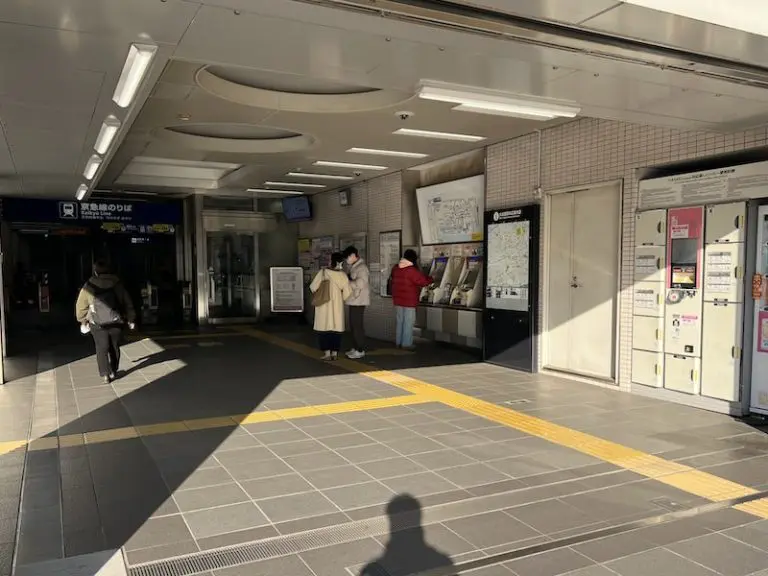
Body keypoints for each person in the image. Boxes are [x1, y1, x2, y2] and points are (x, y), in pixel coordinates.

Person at [75, 260, 136, 383]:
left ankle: (105, 374)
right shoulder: (117, 284)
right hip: (116, 321)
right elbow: (127, 302)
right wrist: (131, 318)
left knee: (101, 347)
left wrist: (82, 320)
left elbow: (81, 306)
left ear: (95, 272)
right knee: (114, 346)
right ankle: (113, 370)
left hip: (96, 322)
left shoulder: (89, 285)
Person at [310, 252, 352, 360]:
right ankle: (335, 354)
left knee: (323, 330)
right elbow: (347, 293)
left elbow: (313, 287)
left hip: (323, 305)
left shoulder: (323, 273)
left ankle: (327, 354)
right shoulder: (343, 275)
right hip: (337, 307)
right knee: (336, 330)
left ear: (331, 261)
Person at [390, 249, 432, 350]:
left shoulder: (396, 268)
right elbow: (423, 282)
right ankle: (406, 344)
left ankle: (399, 342)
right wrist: (431, 278)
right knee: (408, 323)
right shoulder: (411, 270)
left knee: (400, 322)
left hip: (398, 300)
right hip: (409, 301)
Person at [342, 246, 370, 359]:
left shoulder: (362, 268)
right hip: (354, 300)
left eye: (347, 257)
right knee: (353, 325)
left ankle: (360, 349)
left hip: (359, 301)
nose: (346, 260)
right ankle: (355, 347)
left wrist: (349, 281)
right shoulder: (355, 266)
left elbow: (361, 284)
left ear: (353, 255)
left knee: (357, 326)